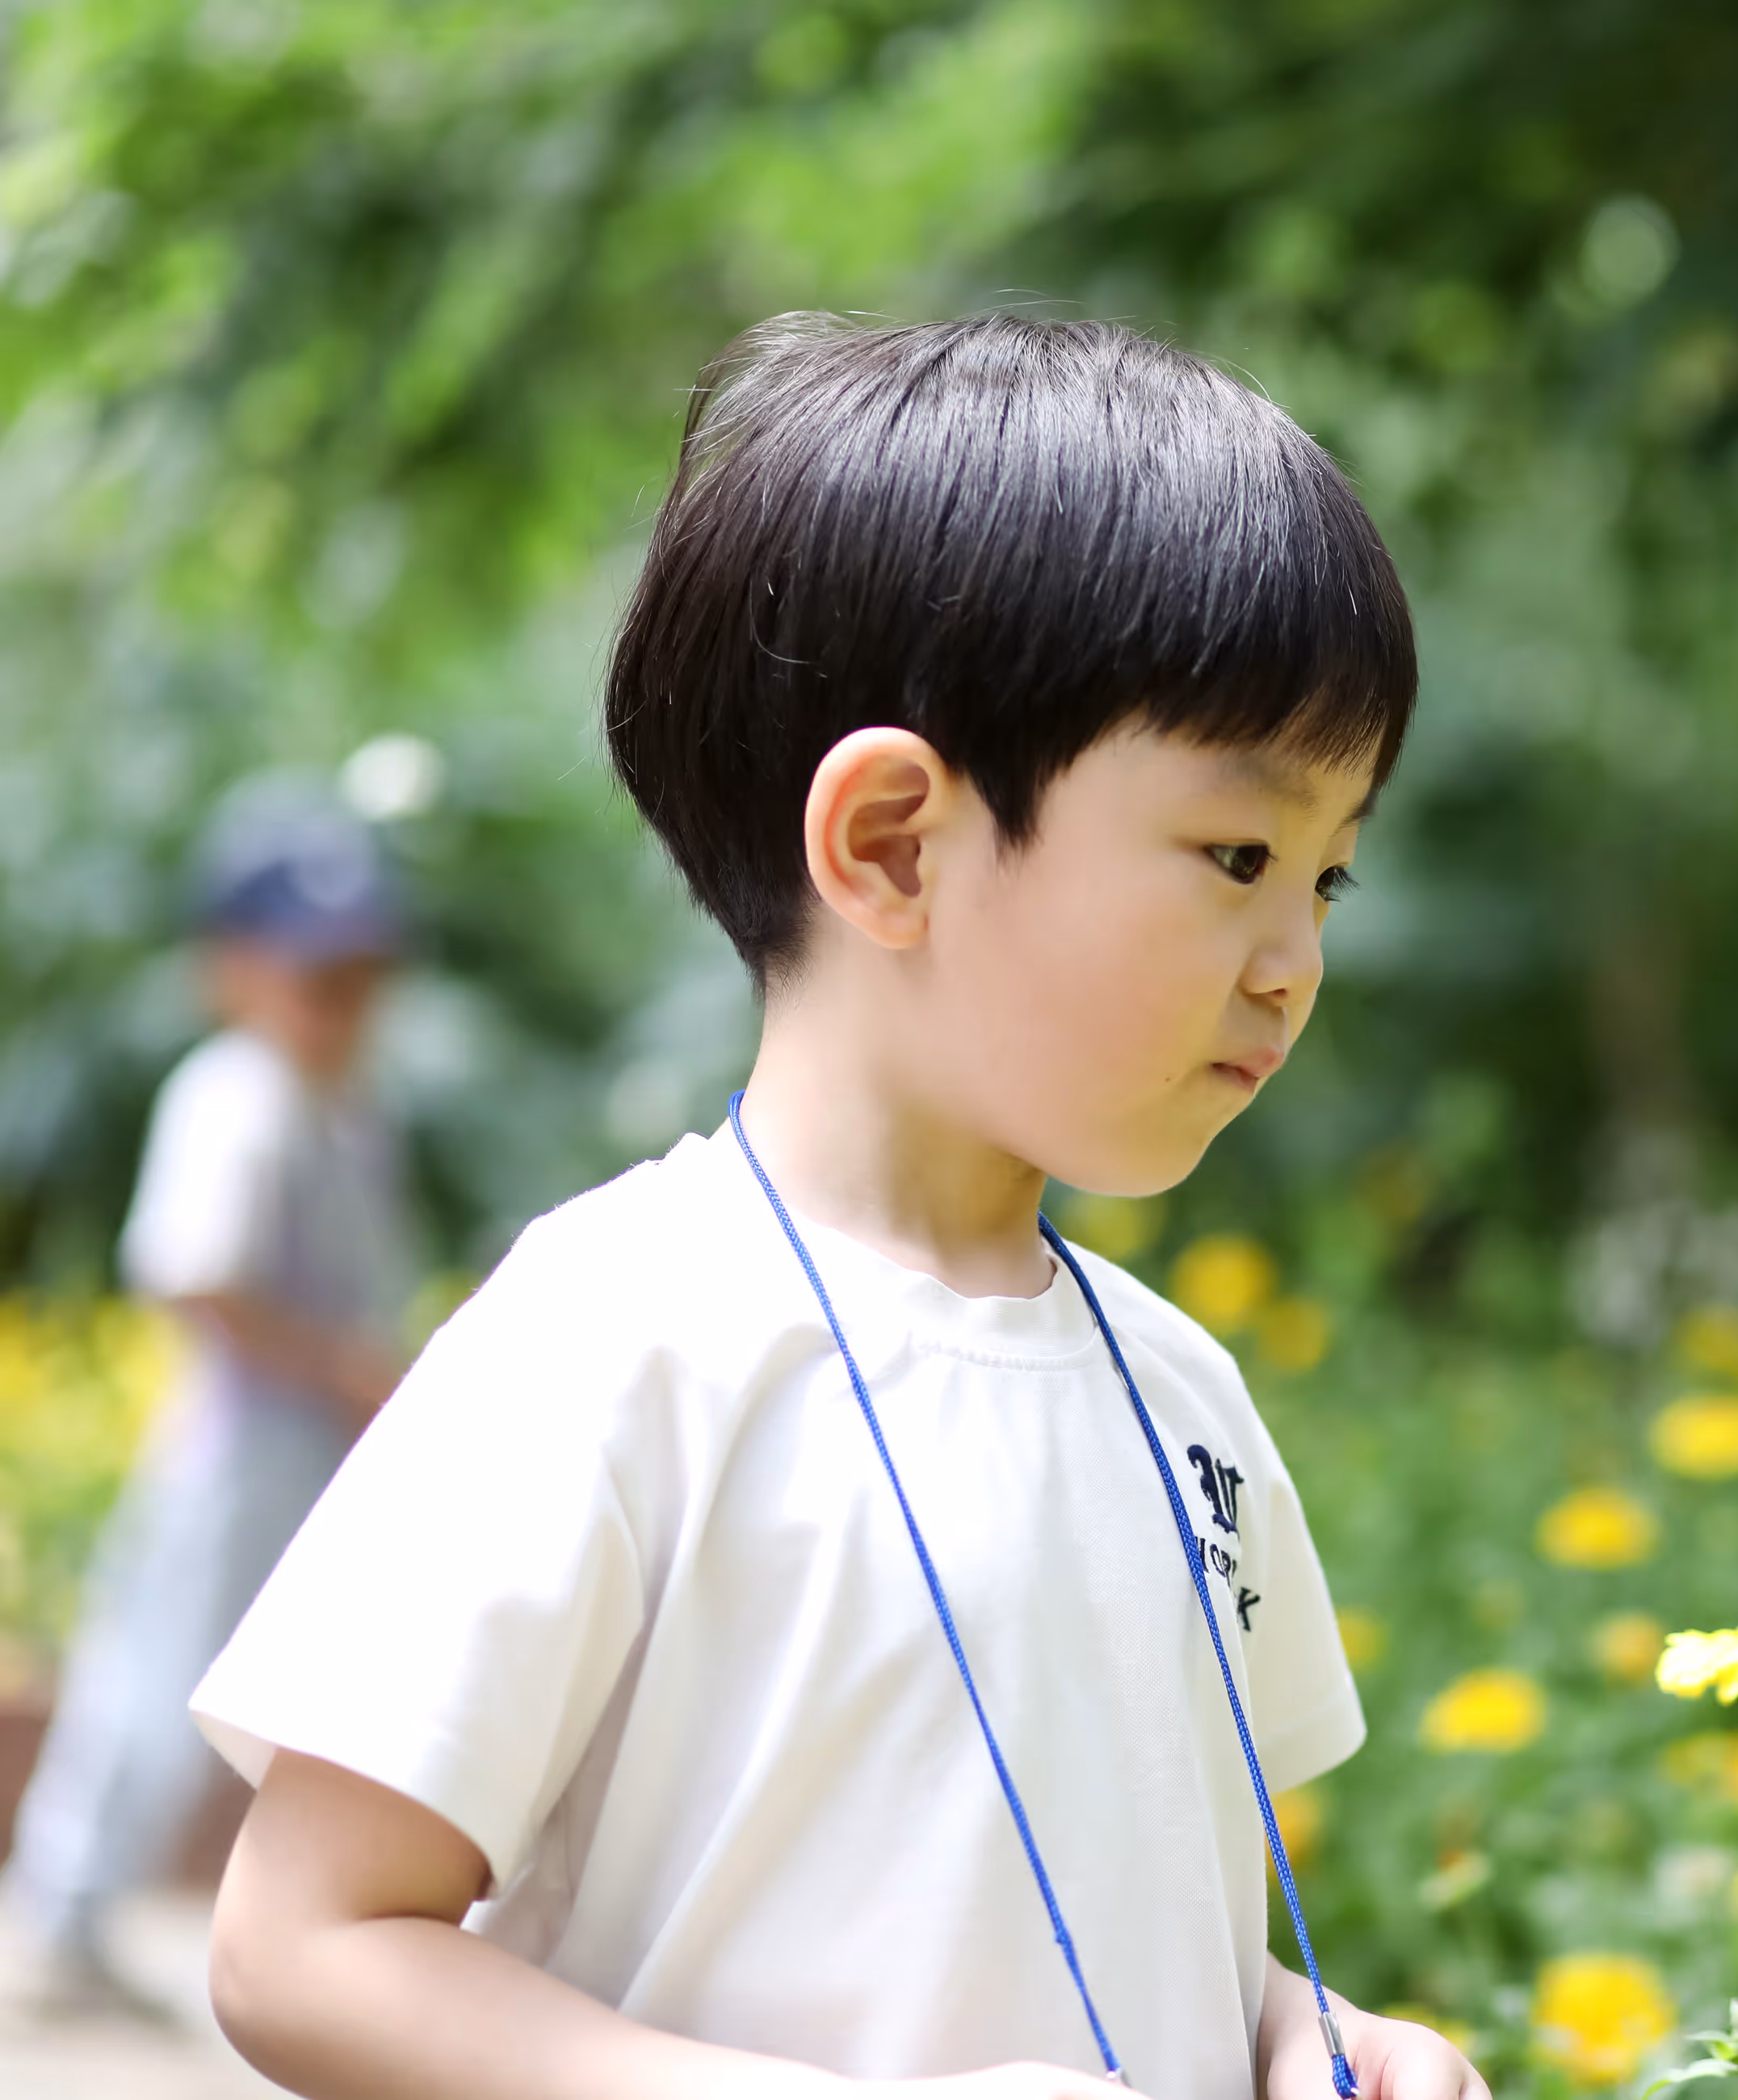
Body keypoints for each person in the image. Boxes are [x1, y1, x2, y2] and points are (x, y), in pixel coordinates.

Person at [187, 313, 1484, 2100]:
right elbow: (302, 1947)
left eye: (1331, 876)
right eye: (1242, 856)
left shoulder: (1180, 1393)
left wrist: (1309, 2035)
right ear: (890, 842)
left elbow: (1149, 1931)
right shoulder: (613, 1337)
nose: (1295, 961)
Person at [1, 787, 413, 2019]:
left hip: (311, 1451)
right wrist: (340, 1366)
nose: (340, 1007)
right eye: (314, 977)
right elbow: (195, 1278)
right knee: (155, 1678)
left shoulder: (345, 1111)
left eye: (358, 978)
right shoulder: (238, 1093)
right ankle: (60, 1928)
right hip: (239, 1448)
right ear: (234, 970)